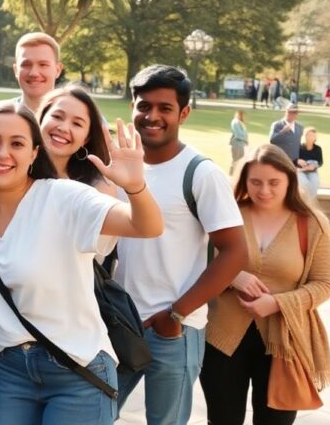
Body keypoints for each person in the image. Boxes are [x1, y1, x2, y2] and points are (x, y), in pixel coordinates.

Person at [0, 101, 163, 424]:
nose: (2, 153)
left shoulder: (63, 198)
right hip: (11, 372)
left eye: (17, 144)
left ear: (34, 153)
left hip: (77, 369)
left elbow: (147, 226)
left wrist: (135, 187)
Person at [114, 65, 248, 425]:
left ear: (184, 113)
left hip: (174, 329)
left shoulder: (201, 172)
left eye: (165, 108)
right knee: (93, 414)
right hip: (120, 322)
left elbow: (235, 252)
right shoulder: (118, 166)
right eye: (144, 106)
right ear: (132, 106)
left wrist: (175, 314)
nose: (152, 116)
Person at [201, 144, 330, 425]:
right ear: (244, 181)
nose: (264, 191)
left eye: (274, 182)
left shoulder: (313, 224)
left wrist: (276, 303)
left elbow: (324, 283)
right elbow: (197, 262)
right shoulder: (227, 216)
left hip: (284, 343)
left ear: (290, 180)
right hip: (221, 338)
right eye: (255, 182)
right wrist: (232, 276)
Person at [13, 32, 63, 117]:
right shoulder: (0, 118)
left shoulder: (73, 117)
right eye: (26, 65)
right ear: (16, 70)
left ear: (58, 70)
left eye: (43, 65)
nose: (34, 73)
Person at [296, 127, 323, 203]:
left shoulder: (318, 149)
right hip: (300, 171)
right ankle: (304, 202)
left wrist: (315, 166)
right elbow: (293, 160)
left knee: (315, 183)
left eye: (313, 136)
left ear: (315, 137)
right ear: (304, 136)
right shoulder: (298, 147)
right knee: (305, 183)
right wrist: (298, 160)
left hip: (312, 171)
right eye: (308, 135)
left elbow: (320, 162)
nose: (310, 137)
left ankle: (310, 203)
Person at [230, 110, 249, 175]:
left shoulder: (240, 122)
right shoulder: (235, 122)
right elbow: (238, 134)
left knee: (240, 161)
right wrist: (245, 139)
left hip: (241, 145)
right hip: (237, 144)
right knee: (236, 161)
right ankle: (231, 176)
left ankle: (237, 175)